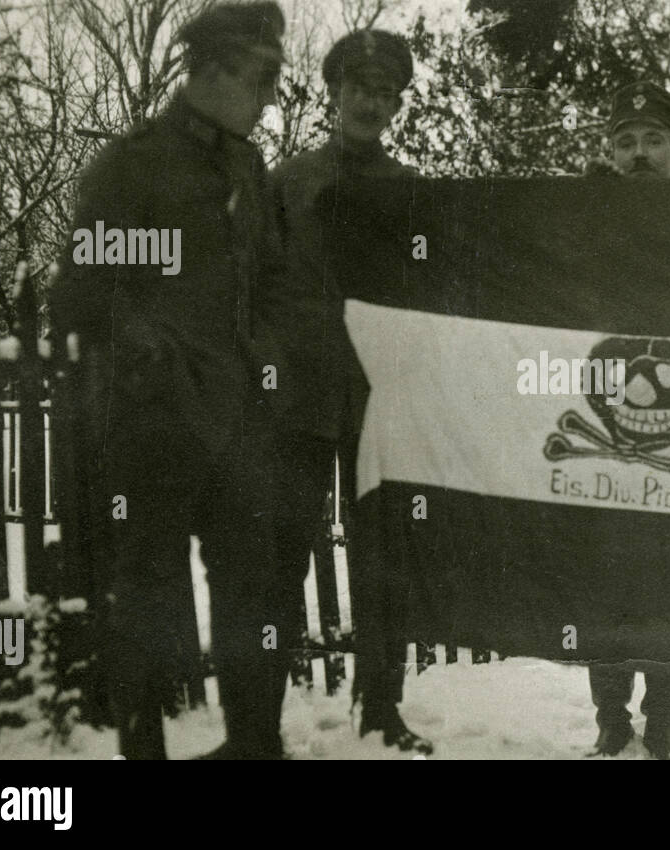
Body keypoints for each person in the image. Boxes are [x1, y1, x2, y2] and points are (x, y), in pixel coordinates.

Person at [51, 1, 295, 759]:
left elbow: (274, 280)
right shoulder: (135, 163)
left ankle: (251, 748)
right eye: (261, 77)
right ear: (211, 70)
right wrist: (148, 346)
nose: (269, 96)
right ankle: (143, 750)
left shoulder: (249, 168)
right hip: (155, 422)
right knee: (148, 595)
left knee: (251, 591)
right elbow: (79, 294)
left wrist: (270, 356)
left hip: (238, 421)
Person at [268, 29, 431, 754]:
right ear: (335, 93)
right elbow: (253, 284)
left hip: (379, 401)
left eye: (386, 93)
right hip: (296, 400)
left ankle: (382, 709)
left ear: (397, 106)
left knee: (383, 558)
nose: (371, 102)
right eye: (359, 88)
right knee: (278, 556)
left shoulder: (409, 191)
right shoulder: (287, 182)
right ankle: (257, 718)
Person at [582, 81, 670, 760]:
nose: (640, 154)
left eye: (654, 140)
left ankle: (661, 725)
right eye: (625, 143)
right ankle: (610, 723)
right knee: (608, 579)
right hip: (602, 419)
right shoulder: (589, 214)